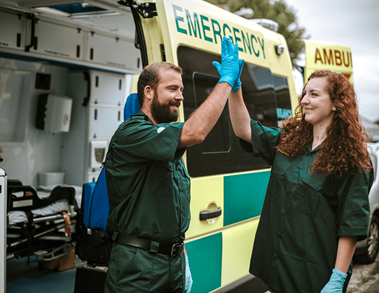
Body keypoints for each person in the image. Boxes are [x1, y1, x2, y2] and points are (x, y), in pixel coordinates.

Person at [103, 36, 244, 293]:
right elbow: (196, 132)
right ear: (148, 92)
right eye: (171, 89)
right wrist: (225, 82)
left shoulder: (168, 141)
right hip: (138, 265)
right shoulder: (131, 133)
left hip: (174, 262)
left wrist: (181, 253)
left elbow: (168, 209)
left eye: (181, 89)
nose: (180, 96)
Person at [228, 69, 373, 292]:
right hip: (278, 270)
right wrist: (234, 88)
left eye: (314, 95)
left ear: (336, 103)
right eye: (304, 94)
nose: (304, 100)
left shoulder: (352, 160)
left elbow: (350, 227)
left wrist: (337, 277)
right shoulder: (288, 141)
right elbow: (243, 128)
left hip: (315, 278)